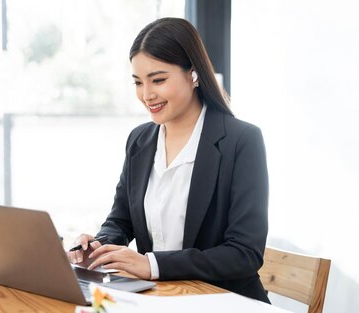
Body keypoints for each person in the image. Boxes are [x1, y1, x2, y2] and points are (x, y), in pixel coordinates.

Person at [67, 17, 270, 303]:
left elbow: (244, 253)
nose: (147, 95)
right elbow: (120, 221)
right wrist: (99, 245)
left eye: (158, 80)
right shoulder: (139, 140)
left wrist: (151, 264)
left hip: (224, 301)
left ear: (194, 74)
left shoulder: (241, 140)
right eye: (138, 82)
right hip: (162, 299)